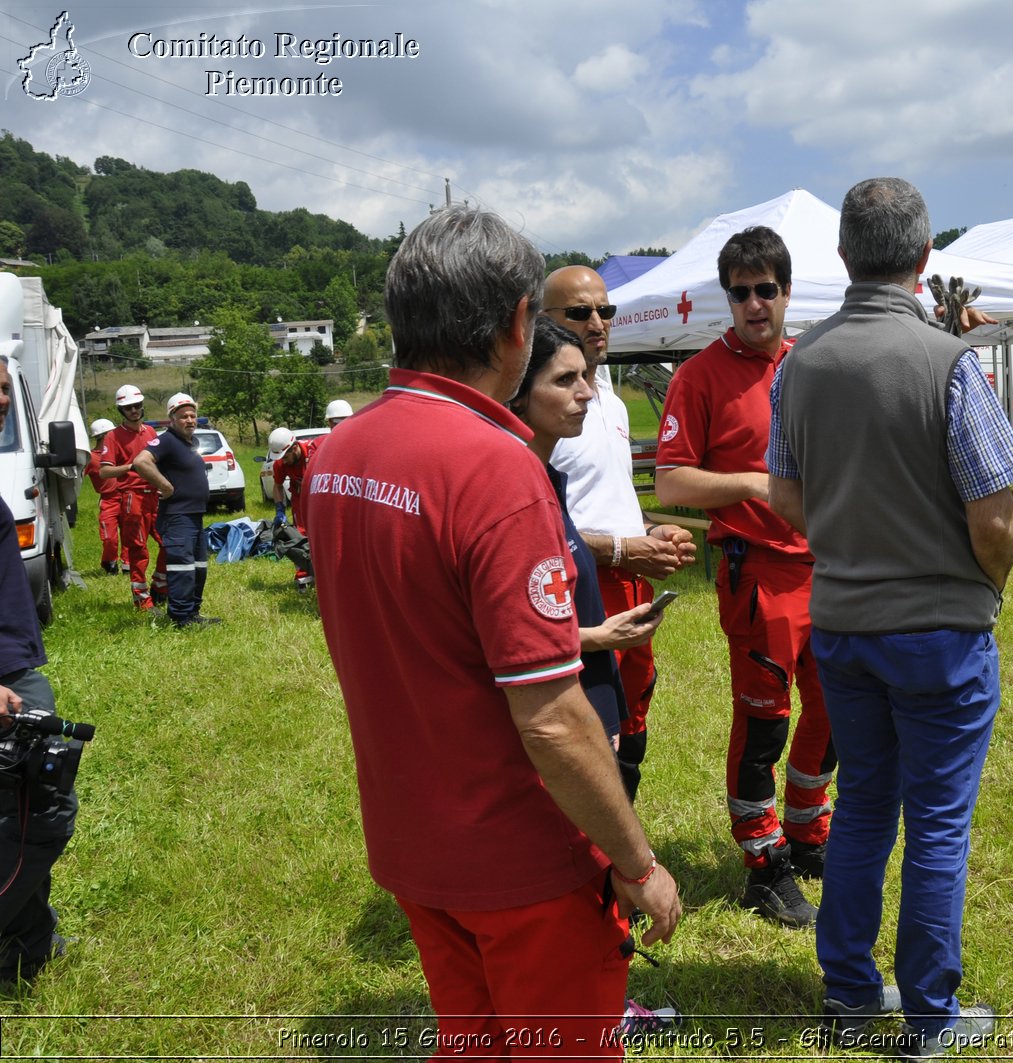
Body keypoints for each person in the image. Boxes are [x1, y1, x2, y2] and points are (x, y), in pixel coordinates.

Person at [306, 206, 680, 1059]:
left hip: (412, 838)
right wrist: (637, 860)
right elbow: (549, 717)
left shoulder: (338, 454)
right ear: (519, 322)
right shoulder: (497, 466)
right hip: (523, 858)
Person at [767, 177, 1013, 1058]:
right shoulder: (948, 361)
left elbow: (786, 494)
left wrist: (850, 541)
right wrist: (983, 589)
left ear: (842, 256)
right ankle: (929, 1017)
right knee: (938, 825)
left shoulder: (799, 363)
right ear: (925, 260)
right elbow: (995, 520)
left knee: (865, 807)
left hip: (841, 623)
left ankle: (849, 993)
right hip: (941, 629)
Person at [654, 226, 832, 928]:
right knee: (766, 722)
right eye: (741, 292)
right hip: (757, 572)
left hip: (831, 568)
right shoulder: (699, 376)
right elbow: (670, 482)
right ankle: (762, 863)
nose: (755, 303)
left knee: (837, 706)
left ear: (787, 291)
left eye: (767, 288)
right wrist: (752, 484)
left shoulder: (810, 365)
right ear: (726, 298)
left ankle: (808, 831)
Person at [542, 266, 695, 801]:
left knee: (632, 717)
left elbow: (609, 498)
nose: (598, 322)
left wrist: (654, 529)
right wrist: (628, 547)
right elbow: (541, 527)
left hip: (631, 586)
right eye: (580, 312)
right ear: (545, 321)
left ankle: (621, 847)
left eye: (605, 311)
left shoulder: (604, 394)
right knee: (588, 728)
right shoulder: (542, 407)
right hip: (583, 590)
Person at [508, 316, 663, 746]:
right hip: (559, 709)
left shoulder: (548, 476)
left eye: (584, 377)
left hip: (589, 689)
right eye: (564, 380)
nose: (586, 392)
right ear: (518, 392)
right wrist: (600, 638)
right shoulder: (514, 490)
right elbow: (512, 634)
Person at [0, 360, 77, 985]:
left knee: (31, 804)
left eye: (5, 389)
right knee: (32, 811)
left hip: (17, 665)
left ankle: (30, 942)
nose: (0, 400)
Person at [131, 394, 217, 629]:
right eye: (183, 417)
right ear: (171, 419)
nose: (189, 420)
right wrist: (164, 485)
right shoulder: (167, 441)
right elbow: (141, 461)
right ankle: (180, 617)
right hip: (177, 517)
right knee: (182, 568)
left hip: (195, 515)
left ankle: (193, 613)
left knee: (198, 568)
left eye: (192, 415)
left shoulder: (191, 443)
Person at [95, 384, 162, 609]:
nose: (134, 410)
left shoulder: (151, 432)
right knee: (138, 549)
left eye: (137, 406)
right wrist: (131, 467)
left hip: (155, 494)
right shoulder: (113, 437)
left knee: (170, 543)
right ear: (121, 411)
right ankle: (142, 601)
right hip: (132, 496)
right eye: (128, 407)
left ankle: (160, 588)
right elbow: (104, 471)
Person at [269, 427, 323, 590]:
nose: (283, 461)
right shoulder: (280, 461)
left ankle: (324, 573)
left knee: (321, 536)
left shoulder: (314, 453)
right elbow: (277, 486)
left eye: (286, 457)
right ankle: (304, 575)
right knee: (299, 535)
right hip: (299, 499)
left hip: (319, 499)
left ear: (295, 448)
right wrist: (279, 509)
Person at [83, 418, 127, 575]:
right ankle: (109, 562)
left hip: (126, 496)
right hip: (108, 500)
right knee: (109, 538)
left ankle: (128, 566)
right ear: (104, 436)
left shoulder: (118, 452)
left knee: (129, 533)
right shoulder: (91, 458)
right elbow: (77, 477)